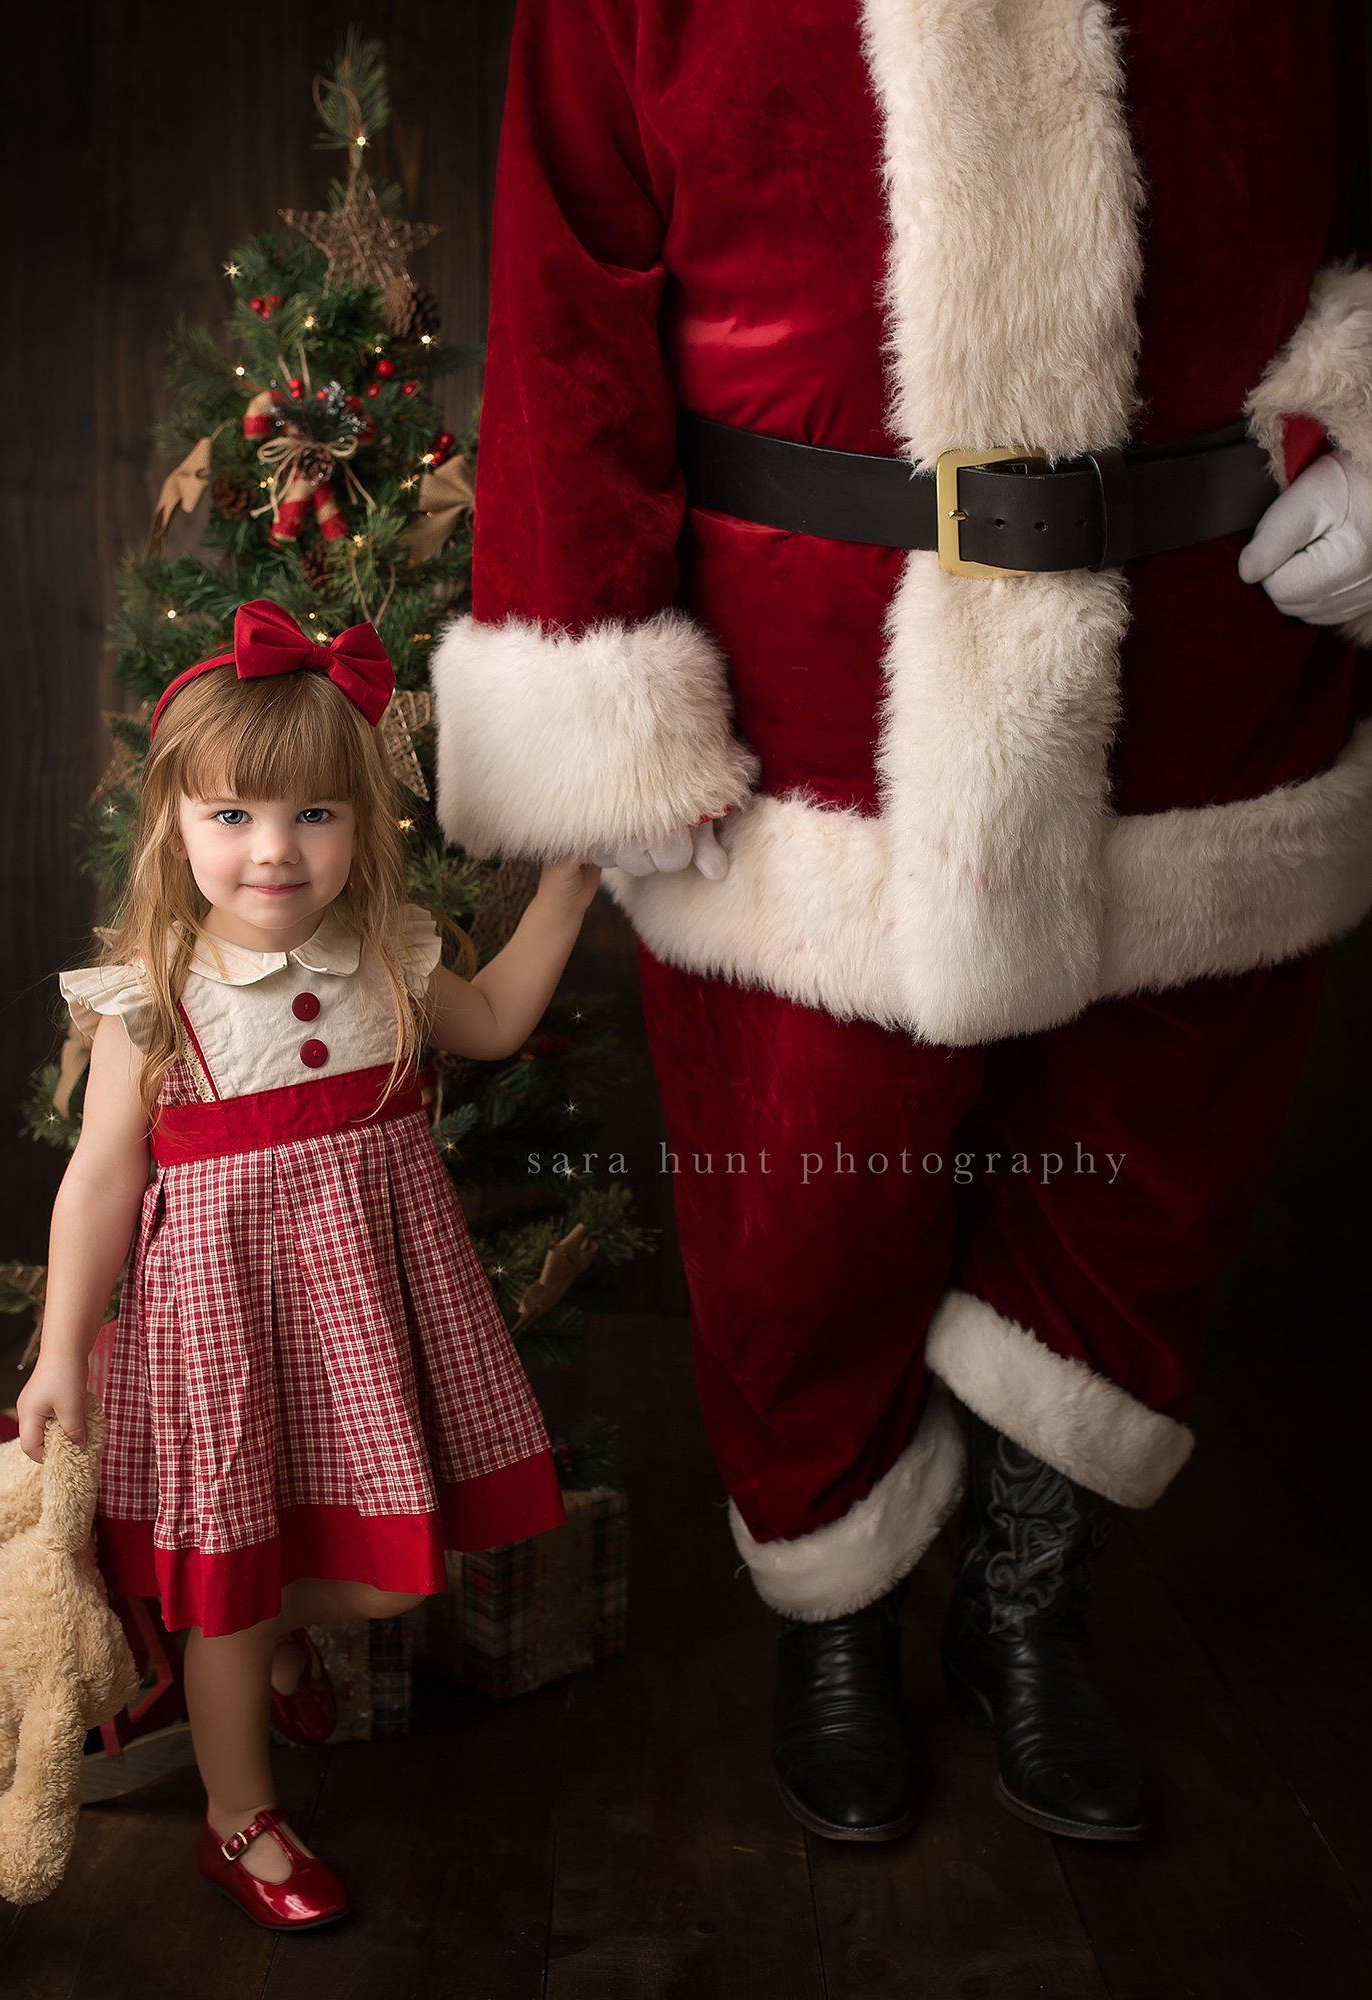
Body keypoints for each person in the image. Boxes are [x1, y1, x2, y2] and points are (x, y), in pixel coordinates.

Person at [430, 0, 1372, 1844]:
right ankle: (832, 1599)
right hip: (807, 690)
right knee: (805, 1200)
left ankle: (1032, 1606)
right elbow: (568, 301)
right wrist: (601, 692)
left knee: (1147, 1173)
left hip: (1203, 657)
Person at [18, 597, 596, 1928]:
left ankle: (257, 1636)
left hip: (370, 1306)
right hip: (222, 1319)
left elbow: (500, 1022)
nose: (272, 852)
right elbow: (101, 1176)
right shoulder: (152, 988)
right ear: (175, 823)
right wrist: (59, 1352)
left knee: (399, 1576)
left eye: (313, 817)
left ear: (362, 823)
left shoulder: (386, 953)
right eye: (231, 816)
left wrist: (567, 888)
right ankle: (240, 1814)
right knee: (237, 1567)